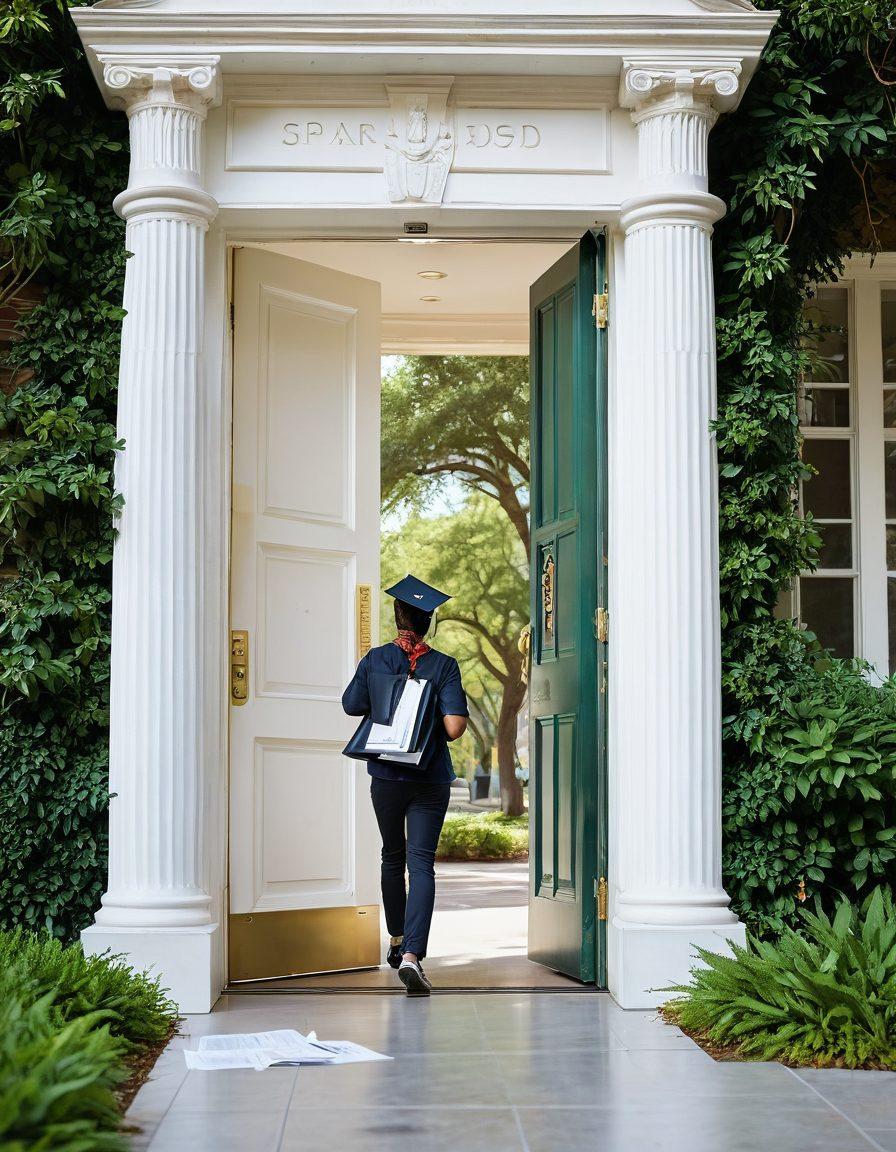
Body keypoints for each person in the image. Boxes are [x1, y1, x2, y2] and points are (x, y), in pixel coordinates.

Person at [342, 574, 468, 996]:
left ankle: (396, 939)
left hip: (387, 776)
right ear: (429, 622)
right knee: (421, 863)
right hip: (430, 777)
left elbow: (351, 705)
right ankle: (413, 955)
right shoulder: (444, 665)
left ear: (397, 617)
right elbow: (453, 728)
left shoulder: (376, 659)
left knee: (391, 856)